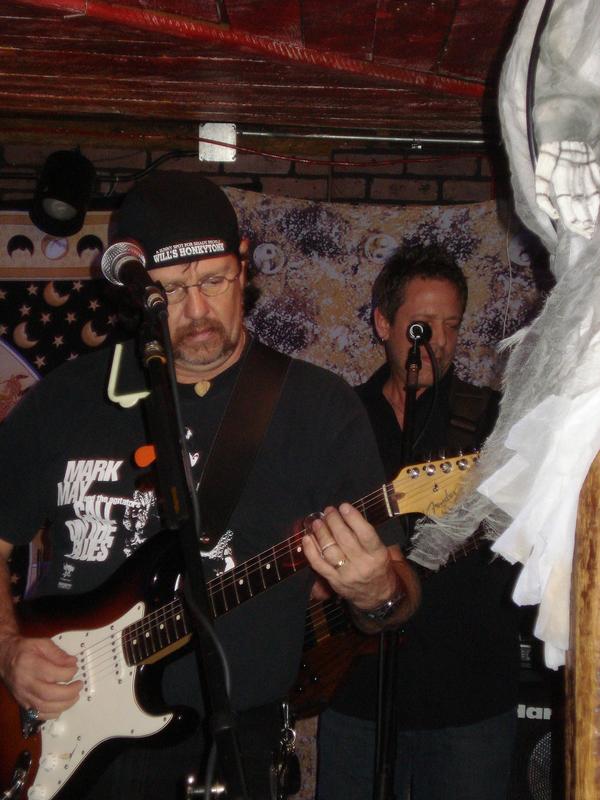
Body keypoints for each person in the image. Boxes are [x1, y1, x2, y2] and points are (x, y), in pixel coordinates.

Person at [0, 173, 420, 800]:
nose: (197, 311)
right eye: (170, 290)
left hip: (235, 748)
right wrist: (7, 649)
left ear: (244, 263)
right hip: (67, 741)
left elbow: (399, 596)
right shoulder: (67, 400)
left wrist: (377, 592)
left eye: (215, 280)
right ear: (133, 293)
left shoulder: (317, 408)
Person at [316, 244, 521, 800]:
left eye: (452, 325)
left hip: (468, 696)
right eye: (422, 326)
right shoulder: (340, 418)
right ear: (383, 323)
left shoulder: (494, 419)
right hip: (357, 691)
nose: (440, 342)